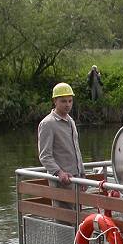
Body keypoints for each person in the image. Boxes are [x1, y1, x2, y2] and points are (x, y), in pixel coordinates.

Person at [37, 82, 85, 210]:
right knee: (64, 220)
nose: (68, 104)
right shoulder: (48, 124)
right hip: (61, 181)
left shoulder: (70, 121)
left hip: (76, 179)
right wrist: (59, 172)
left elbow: (76, 150)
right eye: (63, 101)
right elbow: (45, 156)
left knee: (78, 219)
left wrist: (82, 173)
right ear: (55, 101)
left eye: (70, 101)